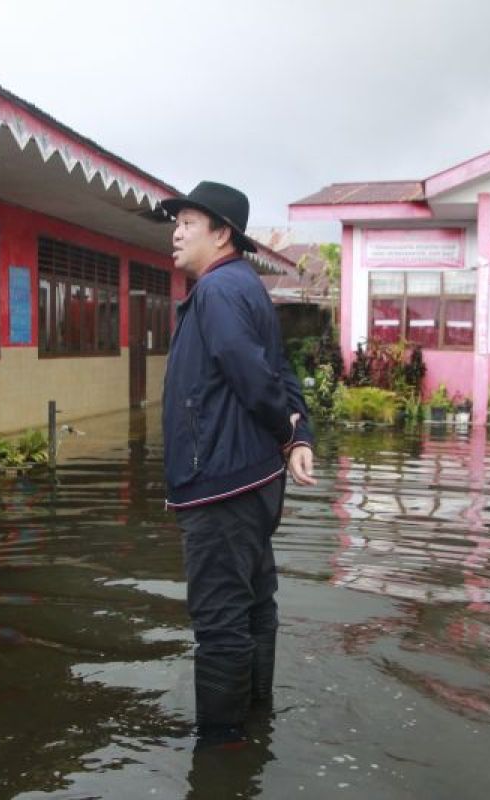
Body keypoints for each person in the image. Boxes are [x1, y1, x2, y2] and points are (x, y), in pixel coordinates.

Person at [161, 181, 317, 743]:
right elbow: (282, 371)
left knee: (220, 622)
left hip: (219, 487)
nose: (176, 232)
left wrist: (285, 430)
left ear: (222, 234)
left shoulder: (218, 292)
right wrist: (299, 438)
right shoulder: (247, 288)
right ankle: (257, 719)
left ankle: (221, 755)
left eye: (189, 223)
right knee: (255, 607)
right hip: (252, 484)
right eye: (174, 223)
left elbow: (253, 374)